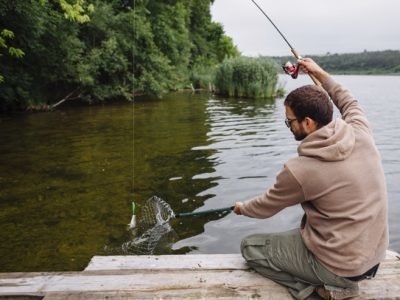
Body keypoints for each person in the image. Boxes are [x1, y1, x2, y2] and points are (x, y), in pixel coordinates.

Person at [234, 58, 388, 300]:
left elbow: (265, 207)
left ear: (308, 122)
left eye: (289, 121)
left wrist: (242, 209)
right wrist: (318, 72)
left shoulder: (300, 170)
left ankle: (318, 290)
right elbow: (348, 100)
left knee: (250, 247)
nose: (288, 125)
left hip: (342, 267)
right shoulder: (360, 130)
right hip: (374, 257)